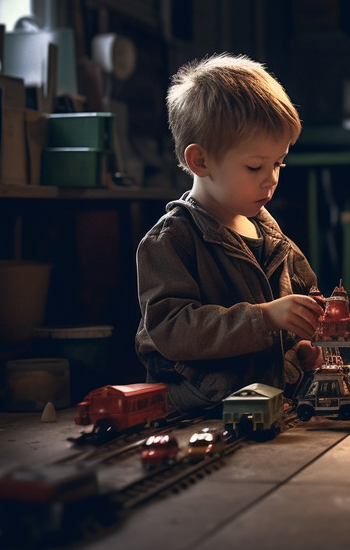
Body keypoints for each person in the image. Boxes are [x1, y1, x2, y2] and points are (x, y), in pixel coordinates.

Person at [135, 53, 323, 413]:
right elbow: (171, 329)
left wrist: (298, 345)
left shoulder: (269, 233)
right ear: (200, 161)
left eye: (278, 164)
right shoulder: (171, 240)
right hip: (202, 396)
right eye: (255, 166)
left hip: (264, 392)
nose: (271, 179)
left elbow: (300, 301)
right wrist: (264, 318)